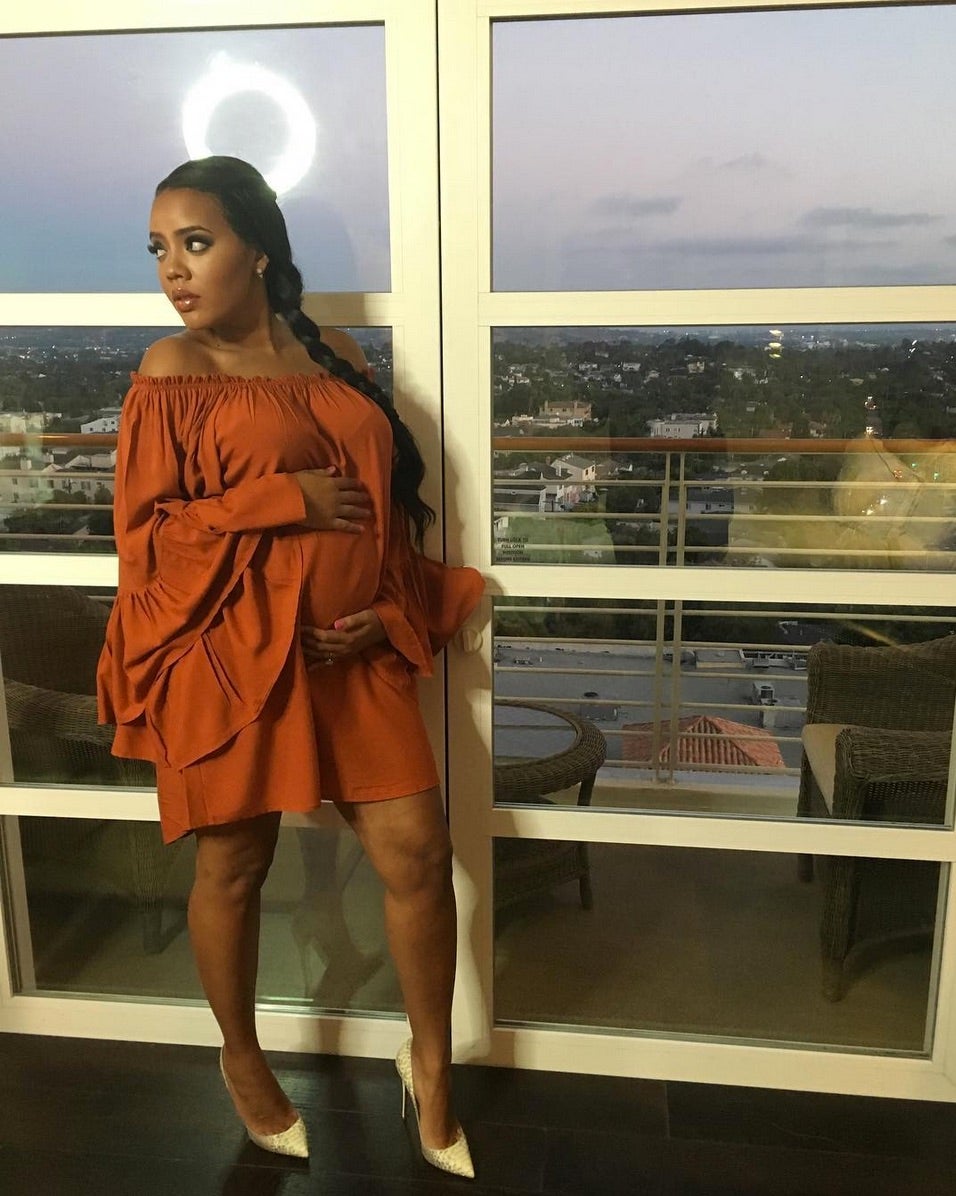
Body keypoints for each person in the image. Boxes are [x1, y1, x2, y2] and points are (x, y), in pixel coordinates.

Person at [96, 156, 483, 1178]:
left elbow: (384, 510)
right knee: (233, 864)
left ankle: (430, 1066)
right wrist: (281, 499)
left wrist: (385, 613)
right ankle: (241, 1057)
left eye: (196, 242)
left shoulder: (333, 353)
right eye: (159, 249)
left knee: (417, 854)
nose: (174, 269)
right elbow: (146, 544)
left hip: (351, 656)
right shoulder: (172, 368)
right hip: (228, 661)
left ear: (257, 250)